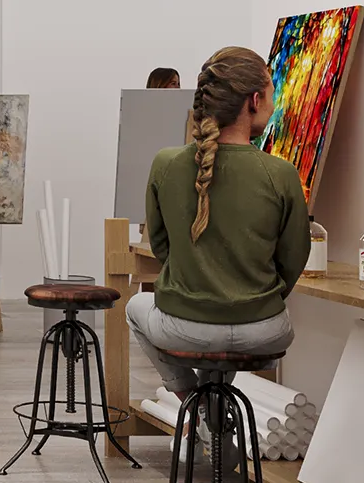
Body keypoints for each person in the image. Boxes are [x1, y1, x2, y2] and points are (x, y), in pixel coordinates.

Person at [128, 46, 311, 398]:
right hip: (264, 331)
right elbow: (293, 259)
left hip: (184, 328)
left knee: (135, 307)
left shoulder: (166, 163)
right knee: (224, 342)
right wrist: (254, 302)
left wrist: (197, 284)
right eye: (272, 94)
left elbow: (162, 247)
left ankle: (192, 401)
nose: (274, 105)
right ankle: (213, 408)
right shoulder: (282, 173)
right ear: (254, 100)